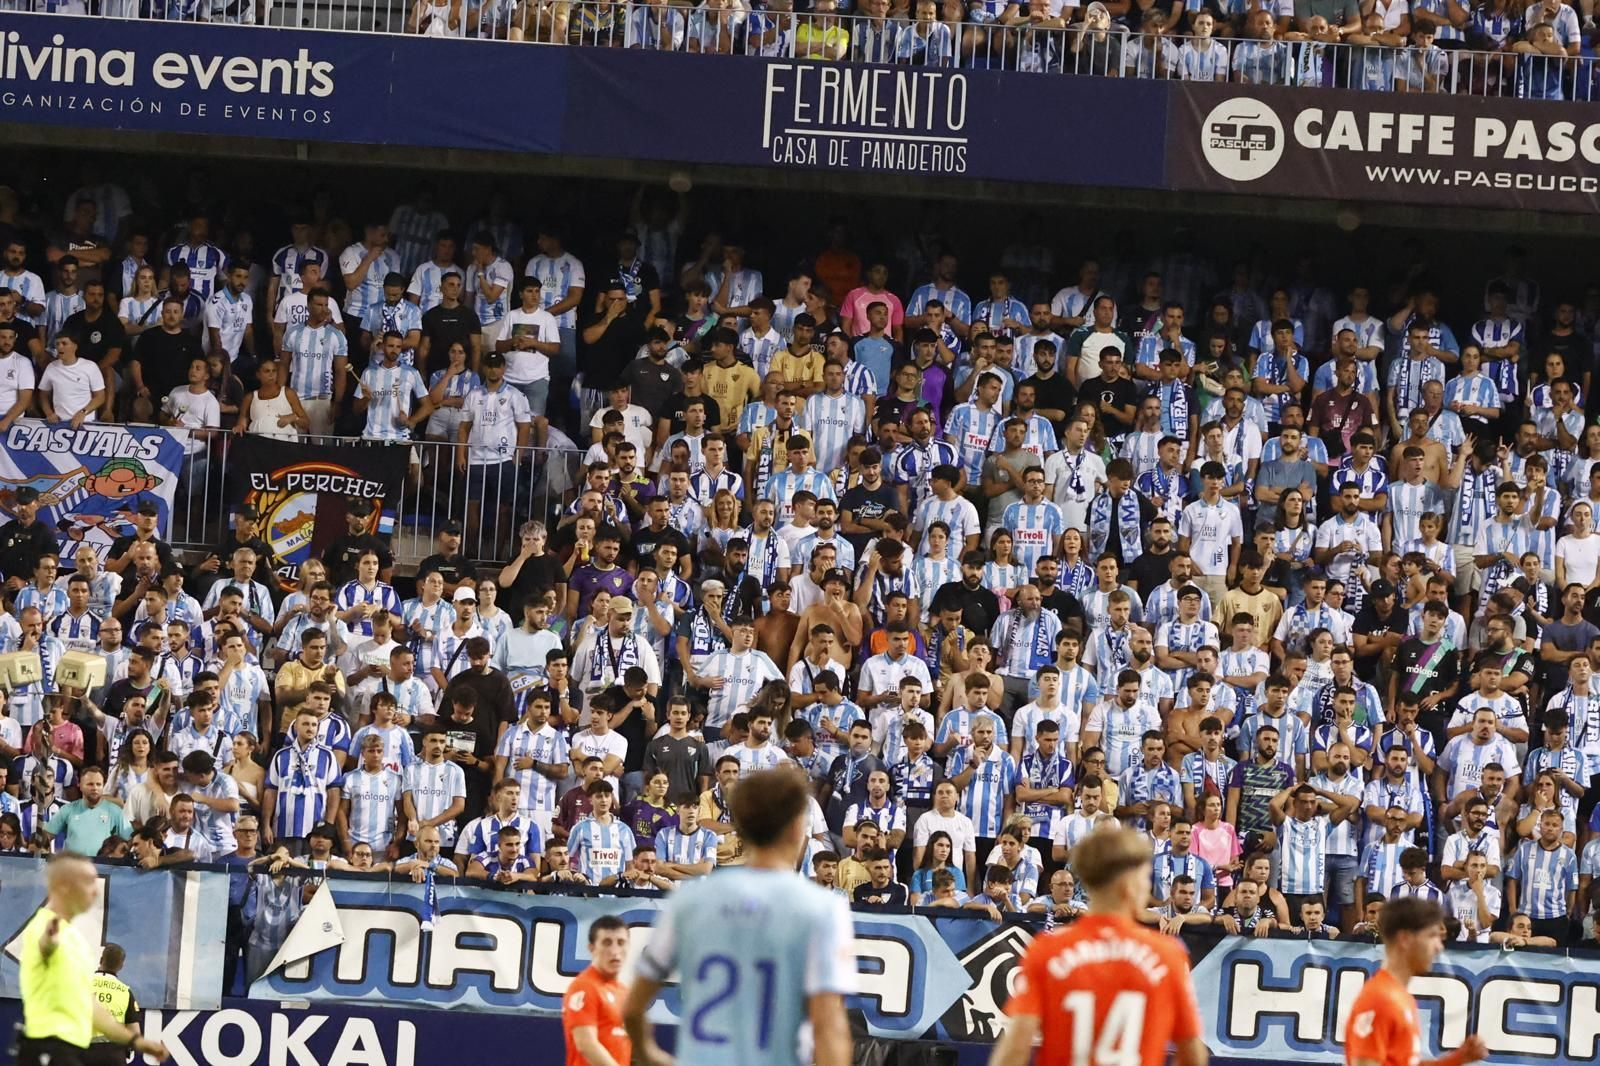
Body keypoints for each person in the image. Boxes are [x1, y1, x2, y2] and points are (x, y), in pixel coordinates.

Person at [624, 768, 854, 1066]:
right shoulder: (822, 908)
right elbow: (829, 1026)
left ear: (740, 826)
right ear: (799, 826)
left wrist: (649, 1055)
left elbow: (632, 1009)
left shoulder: (691, 900)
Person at [989, 826, 1206, 1066]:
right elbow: (1193, 1055)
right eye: (1144, 879)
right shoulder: (1167, 954)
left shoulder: (1047, 950)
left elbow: (1015, 1048)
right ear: (1129, 884)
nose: (1147, 888)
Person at [17, 854, 167, 1066]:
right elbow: (44, 947)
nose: (95, 891)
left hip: (69, 1051)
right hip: (47, 1047)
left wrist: (136, 1041)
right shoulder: (44, 926)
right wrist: (48, 943)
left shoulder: (74, 938)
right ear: (64, 886)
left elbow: (90, 1006)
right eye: (88, 882)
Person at [1343, 896, 1488, 1066]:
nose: (1439, 946)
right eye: (1431, 936)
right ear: (1405, 939)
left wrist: (1456, 1059)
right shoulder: (1379, 999)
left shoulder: (1400, 997)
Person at [562, 914, 631, 1066]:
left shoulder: (624, 992)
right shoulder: (584, 987)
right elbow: (586, 1044)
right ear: (592, 948)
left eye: (621, 943)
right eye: (607, 943)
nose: (615, 951)